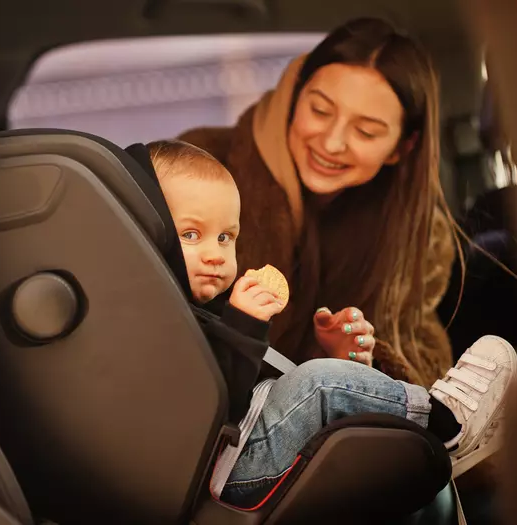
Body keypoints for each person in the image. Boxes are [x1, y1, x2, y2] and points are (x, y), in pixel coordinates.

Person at [135, 138, 517, 507]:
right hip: (224, 473)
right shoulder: (151, 323)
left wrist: (336, 360)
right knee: (317, 384)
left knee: (318, 381)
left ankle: (418, 447)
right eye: (190, 234)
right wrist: (242, 328)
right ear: (148, 235)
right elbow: (210, 401)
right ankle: (445, 425)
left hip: (239, 450)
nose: (216, 254)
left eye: (225, 237)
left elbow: (255, 391)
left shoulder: (205, 311)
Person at [178, 17, 457, 388]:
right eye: (320, 111)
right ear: (295, 98)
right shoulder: (202, 162)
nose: (331, 143)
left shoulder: (421, 240)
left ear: (401, 148)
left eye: (366, 132)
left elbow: (421, 364)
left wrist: (354, 365)